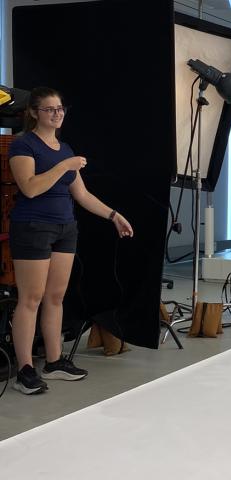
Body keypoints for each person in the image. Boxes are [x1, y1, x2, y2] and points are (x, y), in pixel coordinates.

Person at [7, 87, 134, 395]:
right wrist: (64, 166)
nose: (57, 113)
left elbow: (82, 195)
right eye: (50, 109)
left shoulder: (65, 148)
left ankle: (53, 362)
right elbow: (31, 188)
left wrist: (113, 215)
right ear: (35, 113)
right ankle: (25, 369)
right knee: (30, 299)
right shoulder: (23, 145)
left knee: (55, 298)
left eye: (61, 108)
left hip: (65, 227)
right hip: (33, 227)